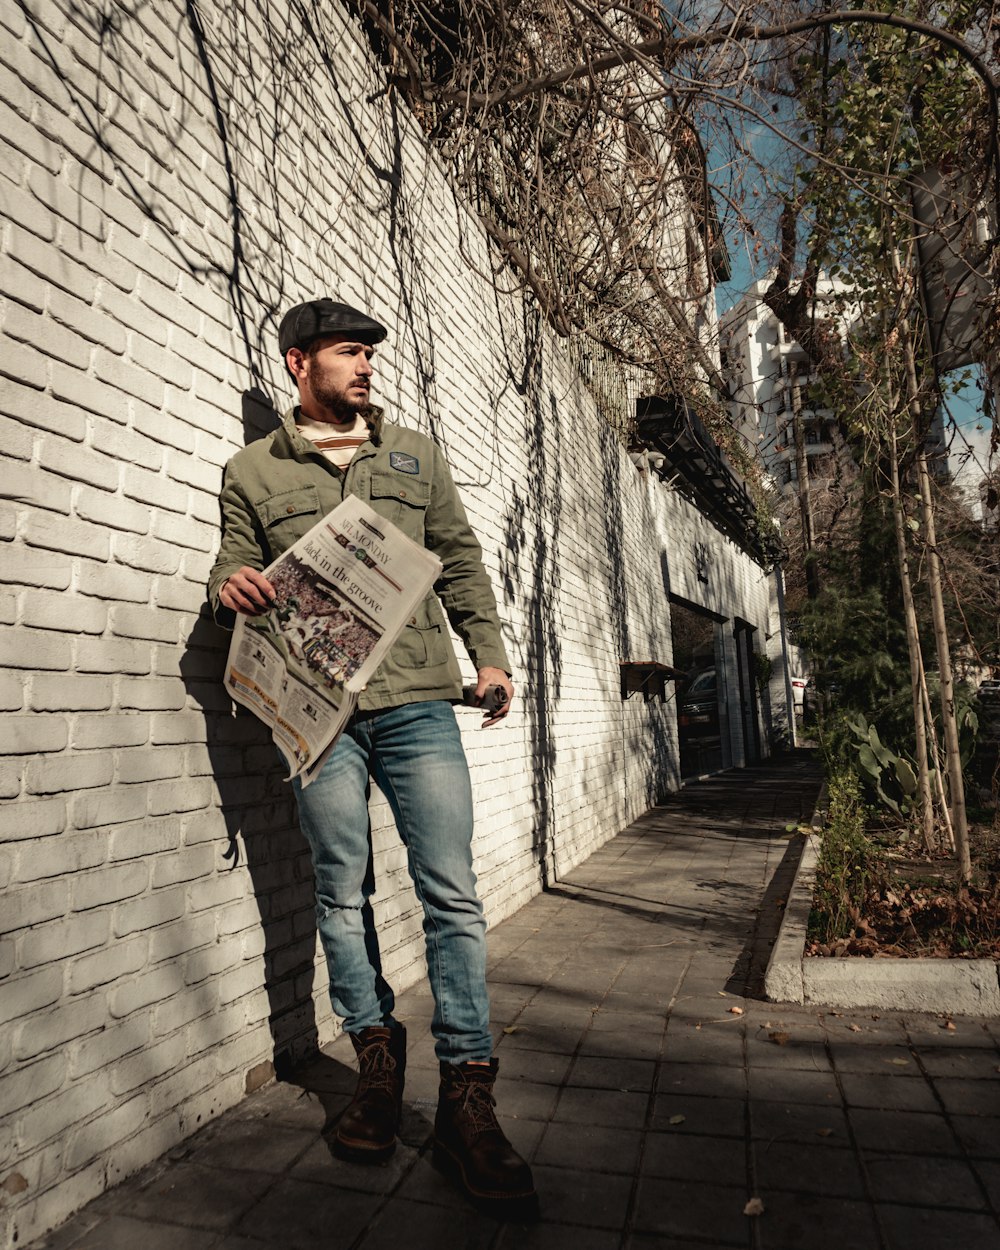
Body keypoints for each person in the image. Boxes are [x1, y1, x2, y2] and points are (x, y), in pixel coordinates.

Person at [208, 298, 535, 1216]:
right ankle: (375, 1064)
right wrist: (227, 582)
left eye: (369, 355)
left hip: (419, 701)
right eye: (349, 353)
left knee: (450, 891)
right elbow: (232, 561)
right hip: (318, 715)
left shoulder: (414, 456)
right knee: (338, 890)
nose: (366, 367)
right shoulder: (250, 471)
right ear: (297, 363)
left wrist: (492, 657)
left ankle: (470, 1095)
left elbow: (461, 559)